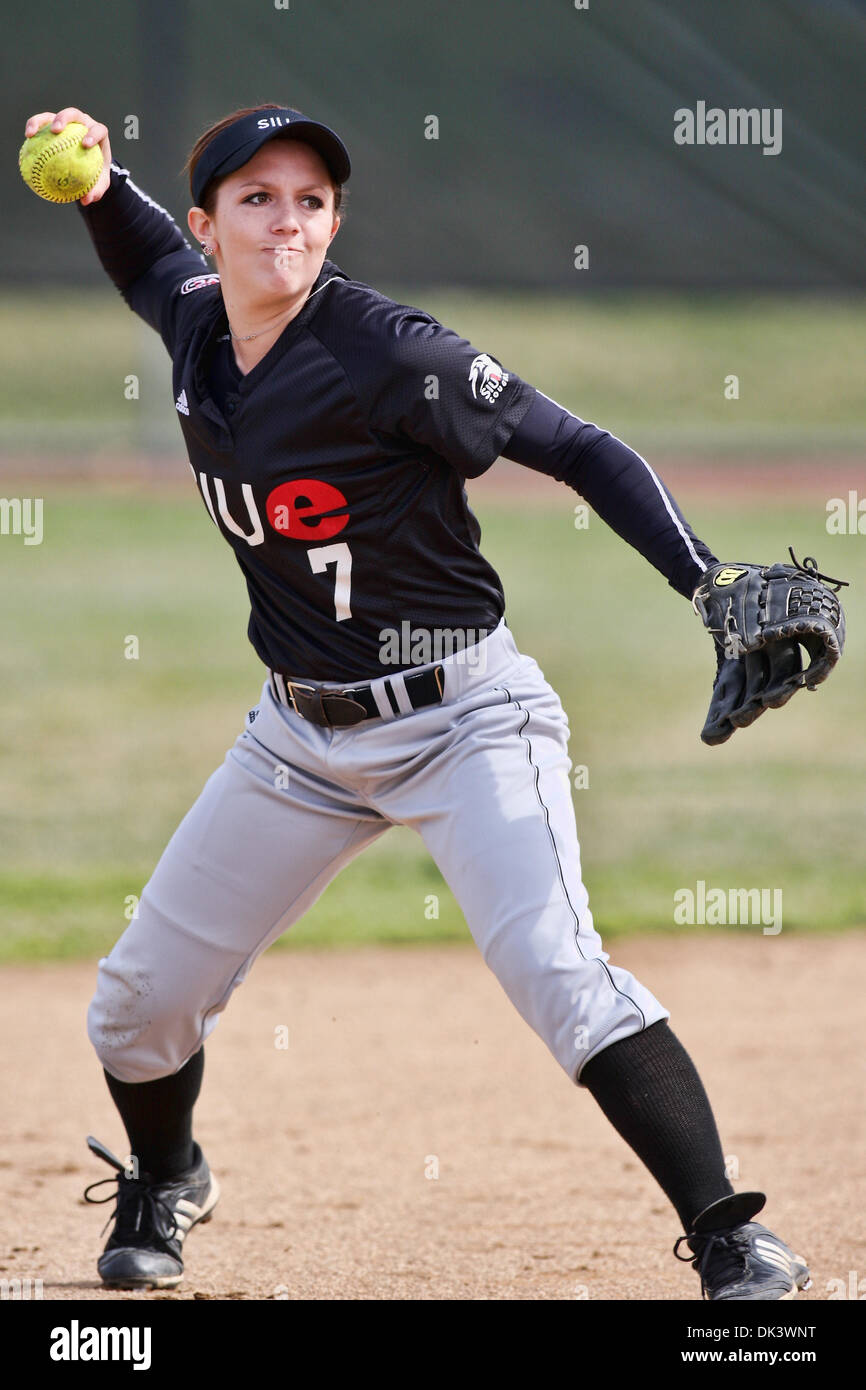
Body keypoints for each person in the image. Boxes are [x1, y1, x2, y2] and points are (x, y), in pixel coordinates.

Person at [23, 102, 812, 1301]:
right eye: (257, 199)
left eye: (311, 201)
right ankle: (166, 1175)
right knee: (136, 1005)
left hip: (464, 720)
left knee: (560, 973)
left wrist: (705, 579)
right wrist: (93, 183)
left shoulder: (392, 354)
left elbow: (579, 446)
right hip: (296, 736)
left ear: (334, 222)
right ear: (209, 228)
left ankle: (728, 1236)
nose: (287, 221)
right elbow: (137, 248)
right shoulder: (191, 320)